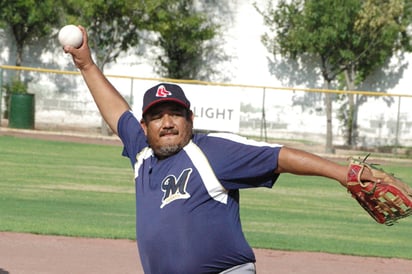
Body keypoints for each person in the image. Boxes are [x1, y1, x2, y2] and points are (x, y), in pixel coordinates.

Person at [63, 26, 377, 274]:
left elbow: (279, 156)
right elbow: (116, 111)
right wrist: (87, 64)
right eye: (157, 116)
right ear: (144, 128)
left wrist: (342, 173)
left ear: (190, 119)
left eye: (175, 114)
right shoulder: (141, 152)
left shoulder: (212, 151)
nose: (168, 122)